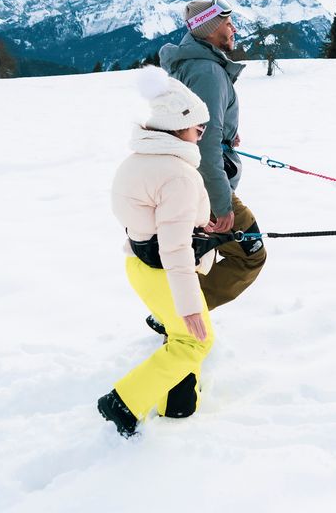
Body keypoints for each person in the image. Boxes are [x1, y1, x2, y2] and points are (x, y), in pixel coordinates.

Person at [98, 67, 217, 438]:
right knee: (195, 339)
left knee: (183, 338)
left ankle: (177, 403)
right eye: (198, 128)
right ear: (177, 127)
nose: (202, 134)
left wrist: (198, 224)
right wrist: (189, 304)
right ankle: (123, 401)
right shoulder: (179, 174)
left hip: (139, 264)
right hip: (164, 271)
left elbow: (147, 218)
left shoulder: (137, 160)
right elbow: (175, 246)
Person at [156, 0, 267, 317]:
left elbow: (187, 124)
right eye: (228, 22)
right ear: (210, 27)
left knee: (198, 257)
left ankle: (175, 315)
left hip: (184, 179)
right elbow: (204, 146)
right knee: (249, 255)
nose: (234, 28)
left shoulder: (189, 64)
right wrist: (220, 205)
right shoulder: (207, 72)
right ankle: (178, 317)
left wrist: (225, 131)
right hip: (204, 186)